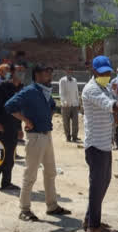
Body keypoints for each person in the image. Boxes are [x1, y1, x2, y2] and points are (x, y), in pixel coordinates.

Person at [5, 65, 71, 221]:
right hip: (35, 137)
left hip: (46, 135)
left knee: (50, 172)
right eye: (46, 72)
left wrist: (47, 116)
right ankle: (24, 209)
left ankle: (52, 206)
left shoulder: (45, 91)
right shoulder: (30, 91)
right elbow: (9, 106)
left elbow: (53, 107)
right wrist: (26, 120)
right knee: (30, 174)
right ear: (37, 75)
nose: (50, 75)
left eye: (50, 72)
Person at [81, 56, 118, 232]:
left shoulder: (105, 87)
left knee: (103, 183)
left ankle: (90, 218)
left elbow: (114, 104)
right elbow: (111, 105)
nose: (106, 75)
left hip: (104, 144)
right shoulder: (91, 89)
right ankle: (93, 226)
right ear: (94, 72)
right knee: (97, 185)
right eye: (103, 73)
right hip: (95, 145)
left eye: (108, 72)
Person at [0, 63, 25, 191]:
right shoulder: (3, 86)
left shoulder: (21, 88)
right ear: (12, 73)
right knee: (1, 154)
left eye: (23, 71)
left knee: (10, 157)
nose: (21, 73)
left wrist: (20, 128)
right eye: (18, 71)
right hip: (1, 126)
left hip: (13, 127)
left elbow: (19, 109)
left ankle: (6, 182)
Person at [59, 67, 80, 142]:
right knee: (66, 122)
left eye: (71, 70)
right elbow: (61, 92)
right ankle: (68, 136)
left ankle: (75, 136)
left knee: (75, 122)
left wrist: (78, 102)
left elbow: (76, 92)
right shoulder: (62, 80)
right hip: (66, 105)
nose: (69, 72)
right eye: (68, 71)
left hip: (74, 104)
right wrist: (64, 102)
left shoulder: (74, 80)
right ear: (66, 71)